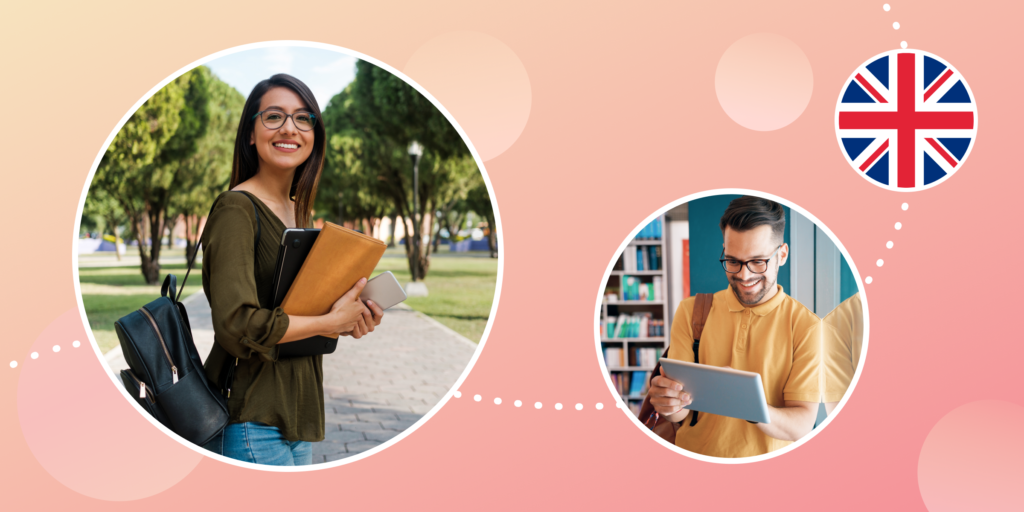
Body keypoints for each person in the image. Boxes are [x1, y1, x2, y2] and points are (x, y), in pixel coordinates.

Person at [199, 74, 384, 466]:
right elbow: (235, 325)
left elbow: (298, 313)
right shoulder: (236, 208)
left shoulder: (297, 212)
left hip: (298, 413)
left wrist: (347, 319)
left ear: (314, 133)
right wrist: (324, 322)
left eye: (303, 118)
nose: (289, 128)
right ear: (251, 132)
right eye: (274, 117)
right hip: (252, 416)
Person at [649, 196, 821, 458]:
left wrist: (748, 404)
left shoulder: (807, 326)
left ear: (782, 255)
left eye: (758, 261)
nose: (744, 275)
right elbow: (680, 413)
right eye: (733, 261)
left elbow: (801, 425)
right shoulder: (691, 311)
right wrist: (668, 404)